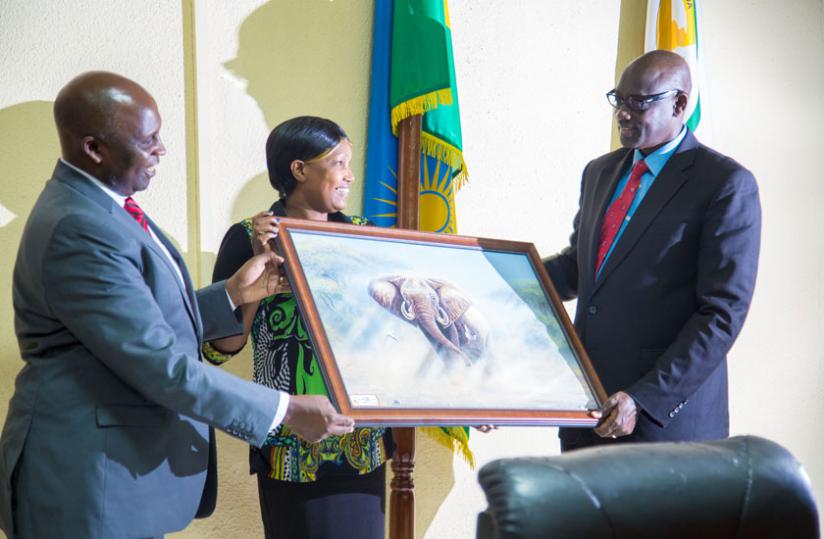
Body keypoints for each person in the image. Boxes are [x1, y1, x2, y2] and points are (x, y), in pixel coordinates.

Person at [0, 73, 354, 539]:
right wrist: (285, 409)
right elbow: (159, 364)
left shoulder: (104, 206)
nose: (161, 150)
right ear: (94, 148)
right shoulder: (78, 227)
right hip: (90, 481)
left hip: (119, 475)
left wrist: (232, 295)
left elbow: (140, 319)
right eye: (148, 140)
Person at [543, 50, 761, 451]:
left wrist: (644, 399)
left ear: (679, 103)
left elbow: (721, 314)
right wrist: (502, 279)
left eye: (638, 102)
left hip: (663, 427)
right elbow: (579, 269)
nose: (623, 114)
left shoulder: (725, 184)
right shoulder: (599, 172)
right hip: (587, 414)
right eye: (618, 100)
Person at [204, 116, 392, 539]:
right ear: (299, 169)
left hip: (360, 444)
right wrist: (259, 274)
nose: (350, 174)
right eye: (339, 162)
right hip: (291, 442)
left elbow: (394, 333)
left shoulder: (363, 236)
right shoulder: (247, 237)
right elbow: (220, 348)